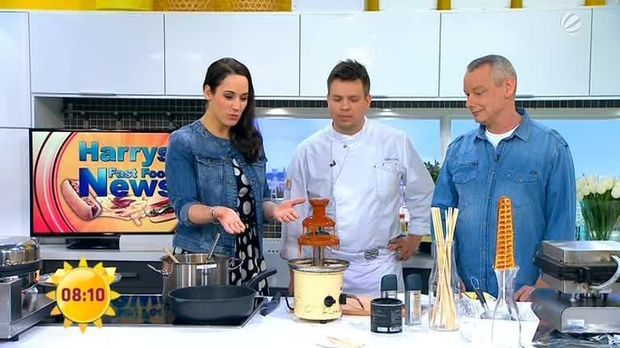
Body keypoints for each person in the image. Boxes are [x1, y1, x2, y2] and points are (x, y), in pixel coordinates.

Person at [280, 60, 435, 297]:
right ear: (327, 99)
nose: (344, 107)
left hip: (380, 267)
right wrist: (295, 275)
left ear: (367, 101)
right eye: (337, 99)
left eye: (353, 99)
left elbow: (422, 189)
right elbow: (294, 216)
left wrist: (415, 235)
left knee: (386, 330)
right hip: (325, 266)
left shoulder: (394, 141)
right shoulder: (308, 150)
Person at [432, 54, 576, 301]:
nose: (469, 102)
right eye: (467, 94)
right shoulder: (458, 151)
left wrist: (544, 286)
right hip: (466, 298)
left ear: (508, 87)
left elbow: (561, 228)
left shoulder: (551, 148)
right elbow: (442, 218)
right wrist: (448, 273)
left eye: (478, 92)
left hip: (526, 300)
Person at [166, 57, 304, 295]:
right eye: (229, 96)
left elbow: (259, 200)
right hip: (205, 262)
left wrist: (275, 210)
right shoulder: (184, 141)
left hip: (250, 261)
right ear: (208, 92)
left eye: (243, 98)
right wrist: (217, 212)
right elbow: (184, 209)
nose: (237, 106)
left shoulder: (251, 141)